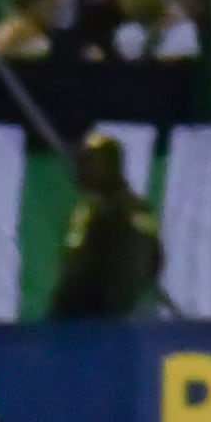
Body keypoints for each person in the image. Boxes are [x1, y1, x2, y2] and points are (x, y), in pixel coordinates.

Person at [49, 133, 161, 321]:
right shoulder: (88, 208)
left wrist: (110, 310)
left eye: (90, 163)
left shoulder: (131, 211)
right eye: (81, 162)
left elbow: (140, 264)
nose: (81, 170)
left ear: (111, 166)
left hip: (105, 321)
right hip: (72, 319)